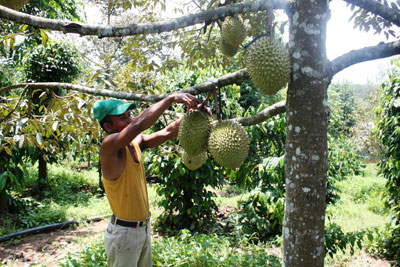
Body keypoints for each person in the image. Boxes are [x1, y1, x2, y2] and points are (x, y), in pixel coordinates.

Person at [92, 93, 206, 267]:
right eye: (123, 118)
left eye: (129, 116)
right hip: (124, 234)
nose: (129, 120)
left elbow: (169, 131)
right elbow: (138, 125)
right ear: (108, 126)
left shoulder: (135, 144)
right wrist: (170, 99)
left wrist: (195, 114)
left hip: (142, 229)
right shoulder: (108, 147)